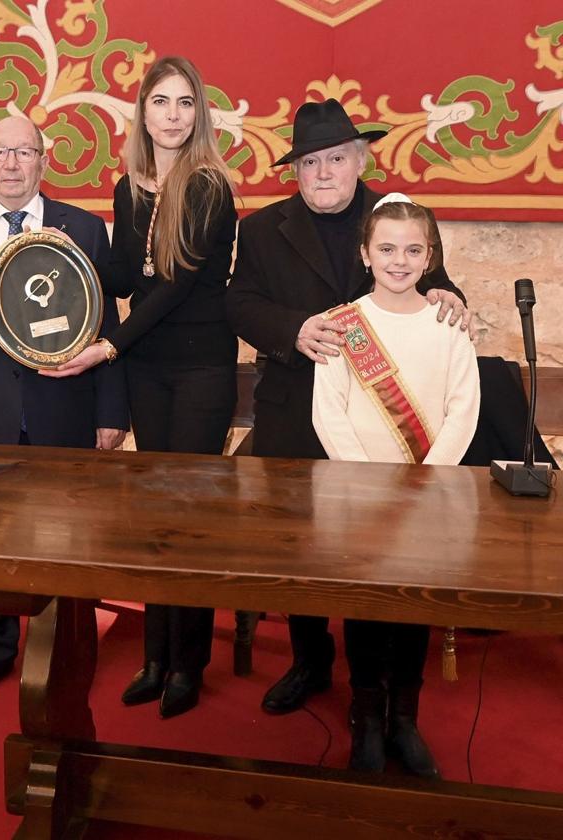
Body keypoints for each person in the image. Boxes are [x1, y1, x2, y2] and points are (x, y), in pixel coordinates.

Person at [225, 98, 471, 715]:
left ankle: (389, 685)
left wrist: (454, 299)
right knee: (302, 551)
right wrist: (292, 331)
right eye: (310, 162)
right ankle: (310, 661)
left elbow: (433, 279)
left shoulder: (393, 217)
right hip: (293, 409)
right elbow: (238, 301)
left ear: (360, 159)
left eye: (336, 158)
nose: (324, 172)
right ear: (295, 171)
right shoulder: (260, 229)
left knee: (392, 556)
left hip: (382, 430)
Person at [43, 56, 237, 718]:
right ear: (143, 112)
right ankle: (156, 655)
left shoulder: (211, 186)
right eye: (162, 102)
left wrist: (106, 346)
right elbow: (124, 277)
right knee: (155, 515)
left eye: (186, 103)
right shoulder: (130, 188)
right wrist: (61, 248)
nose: (174, 115)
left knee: (191, 518)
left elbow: (176, 287)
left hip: (202, 366)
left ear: (198, 113)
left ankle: (189, 660)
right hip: (149, 365)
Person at [0, 115, 130, 703]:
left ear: (44, 161)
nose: (12, 164)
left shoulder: (85, 229)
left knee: (67, 537)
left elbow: (107, 327)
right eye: (0, 152)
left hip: (63, 409)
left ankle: (67, 644)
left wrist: (111, 411)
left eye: (25, 152)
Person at [312, 194, 479, 777]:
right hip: (359, 501)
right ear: (365, 253)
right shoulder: (344, 324)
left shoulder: (448, 323)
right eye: (387, 248)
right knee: (365, 613)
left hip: (430, 499)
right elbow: (328, 413)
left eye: (412, 250)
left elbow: (464, 407)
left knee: (411, 614)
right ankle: (366, 718)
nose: (399, 260)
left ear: (430, 255)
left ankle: (404, 718)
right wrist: (368, 483)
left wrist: (426, 482)